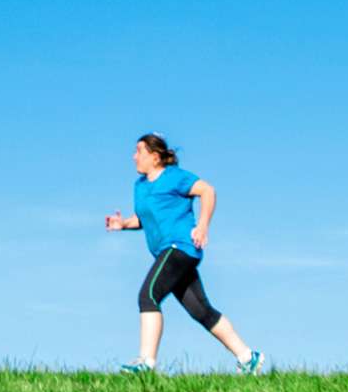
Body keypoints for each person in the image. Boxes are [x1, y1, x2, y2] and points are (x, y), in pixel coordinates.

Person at [105, 133, 264, 375]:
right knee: (201, 311)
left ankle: (146, 362)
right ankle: (248, 357)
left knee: (148, 295)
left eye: (139, 151)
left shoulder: (175, 177)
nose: (133, 156)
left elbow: (207, 191)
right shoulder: (140, 186)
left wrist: (202, 225)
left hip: (180, 247)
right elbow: (148, 216)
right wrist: (124, 224)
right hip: (168, 252)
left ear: (155, 157)